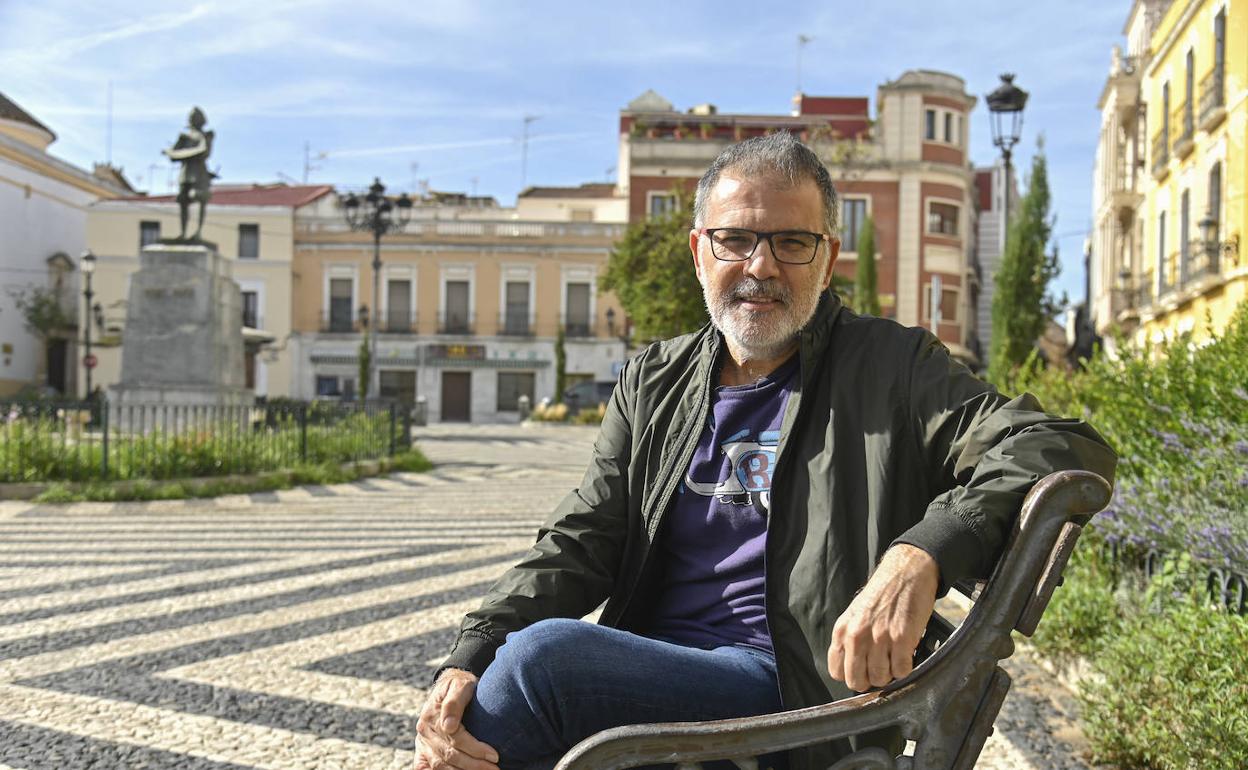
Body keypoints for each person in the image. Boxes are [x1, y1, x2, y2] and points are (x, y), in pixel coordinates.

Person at [413, 133, 1116, 770]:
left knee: (544, 665)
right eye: (736, 240)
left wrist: (921, 553)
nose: (761, 267)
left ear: (828, 257)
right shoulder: (656, 379)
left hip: (795, 691)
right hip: (661, 673)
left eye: (791, 242)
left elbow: (1053, 443)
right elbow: (583, 538)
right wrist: (474, 650)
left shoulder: (891, 365)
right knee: (487, 694)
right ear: (700, 251)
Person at [162, 106, 217, 241]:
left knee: (199, 198)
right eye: (192, 117)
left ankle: (198, 232)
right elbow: (173, 156)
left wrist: (182, 154)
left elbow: (204, 152)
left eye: (196, 117)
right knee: (183, 201)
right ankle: (183, 233)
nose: (193, 120)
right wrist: (179, 154)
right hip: (186, 173)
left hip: (199, 173)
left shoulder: (207, 135)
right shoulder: (183, 137)